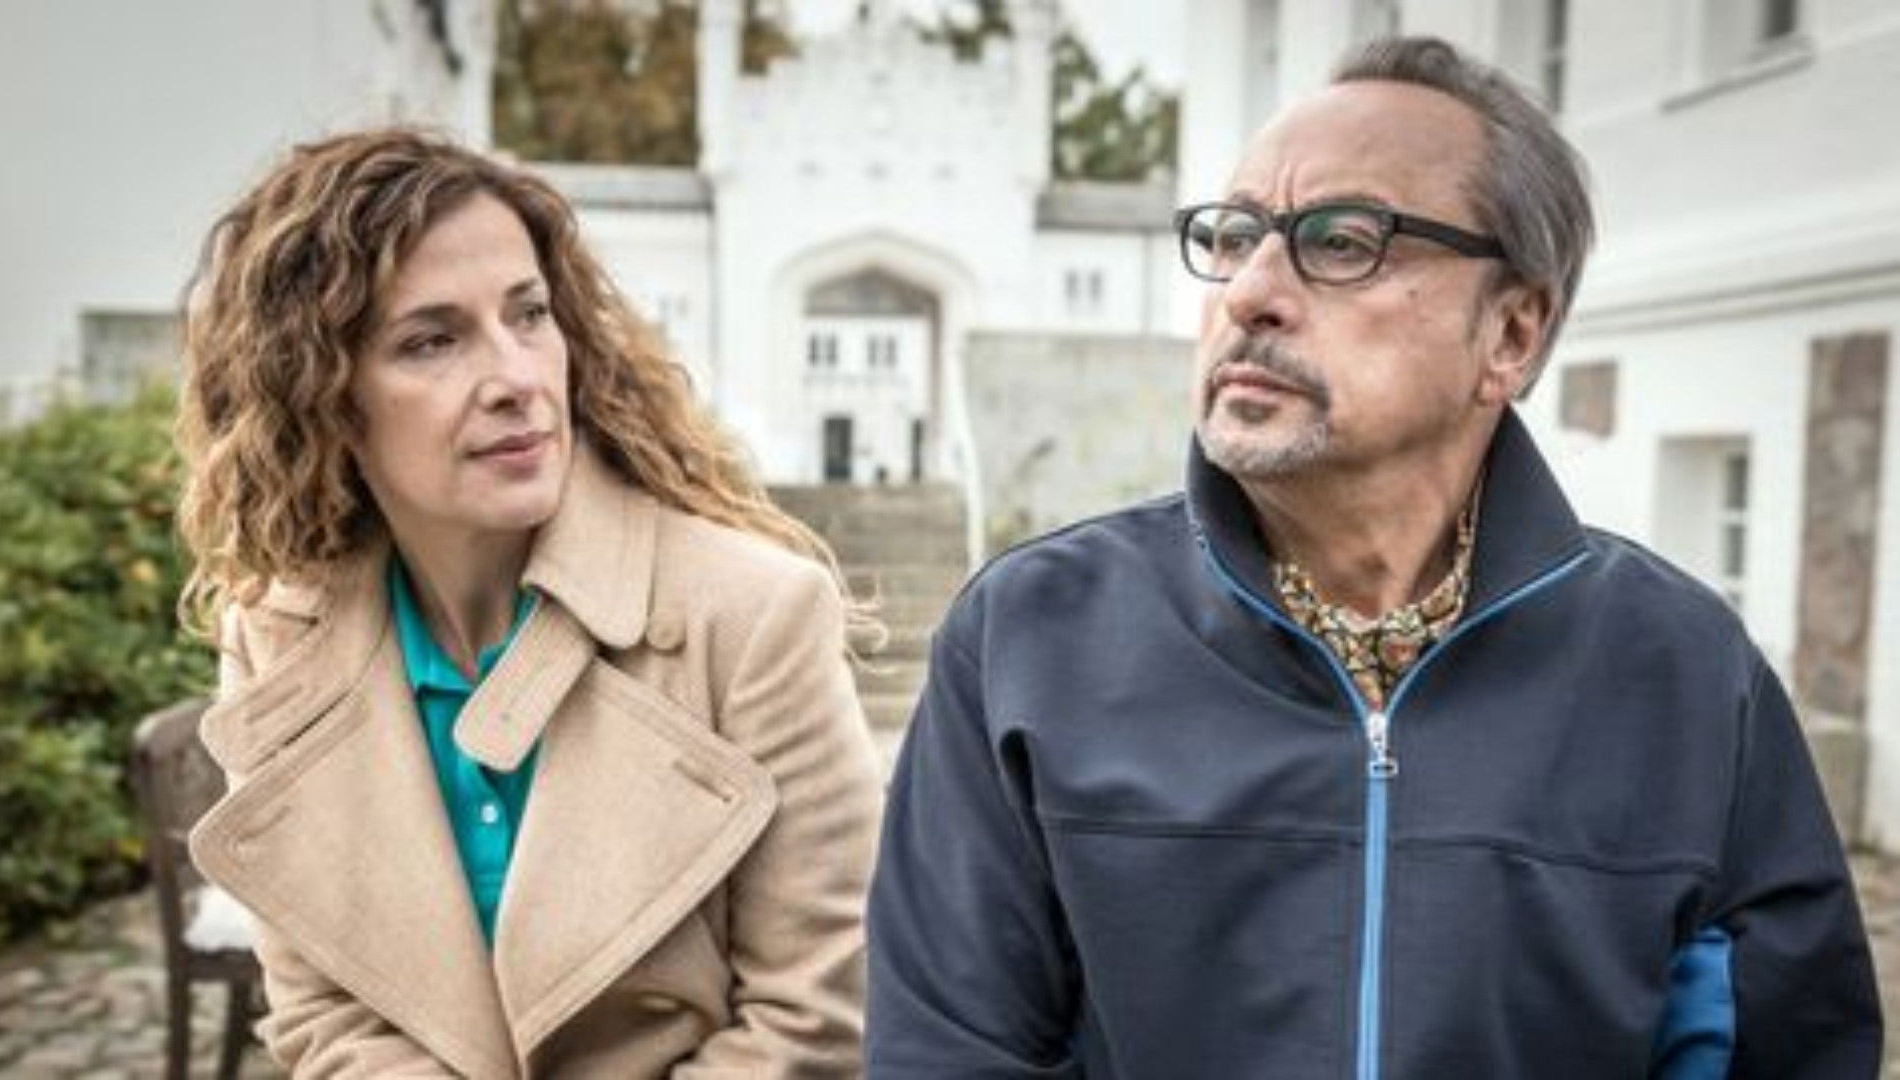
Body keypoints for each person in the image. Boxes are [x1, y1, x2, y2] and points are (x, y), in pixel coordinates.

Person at [865, 36, 1882, 1078]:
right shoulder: (1031, 641)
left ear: (1512, 334)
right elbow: (947, 1053)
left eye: (1343, 241)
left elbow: (1783, 1049)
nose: (1250, 291)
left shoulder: (1684, 673)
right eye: (1235, 236)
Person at [176, 128, 881, 1078]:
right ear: (323, 396)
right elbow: (326, 1017)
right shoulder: (275, 633)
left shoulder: (754, 614)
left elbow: (819, 1020)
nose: (516, 379)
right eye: (432, 340)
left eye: (530, 314)